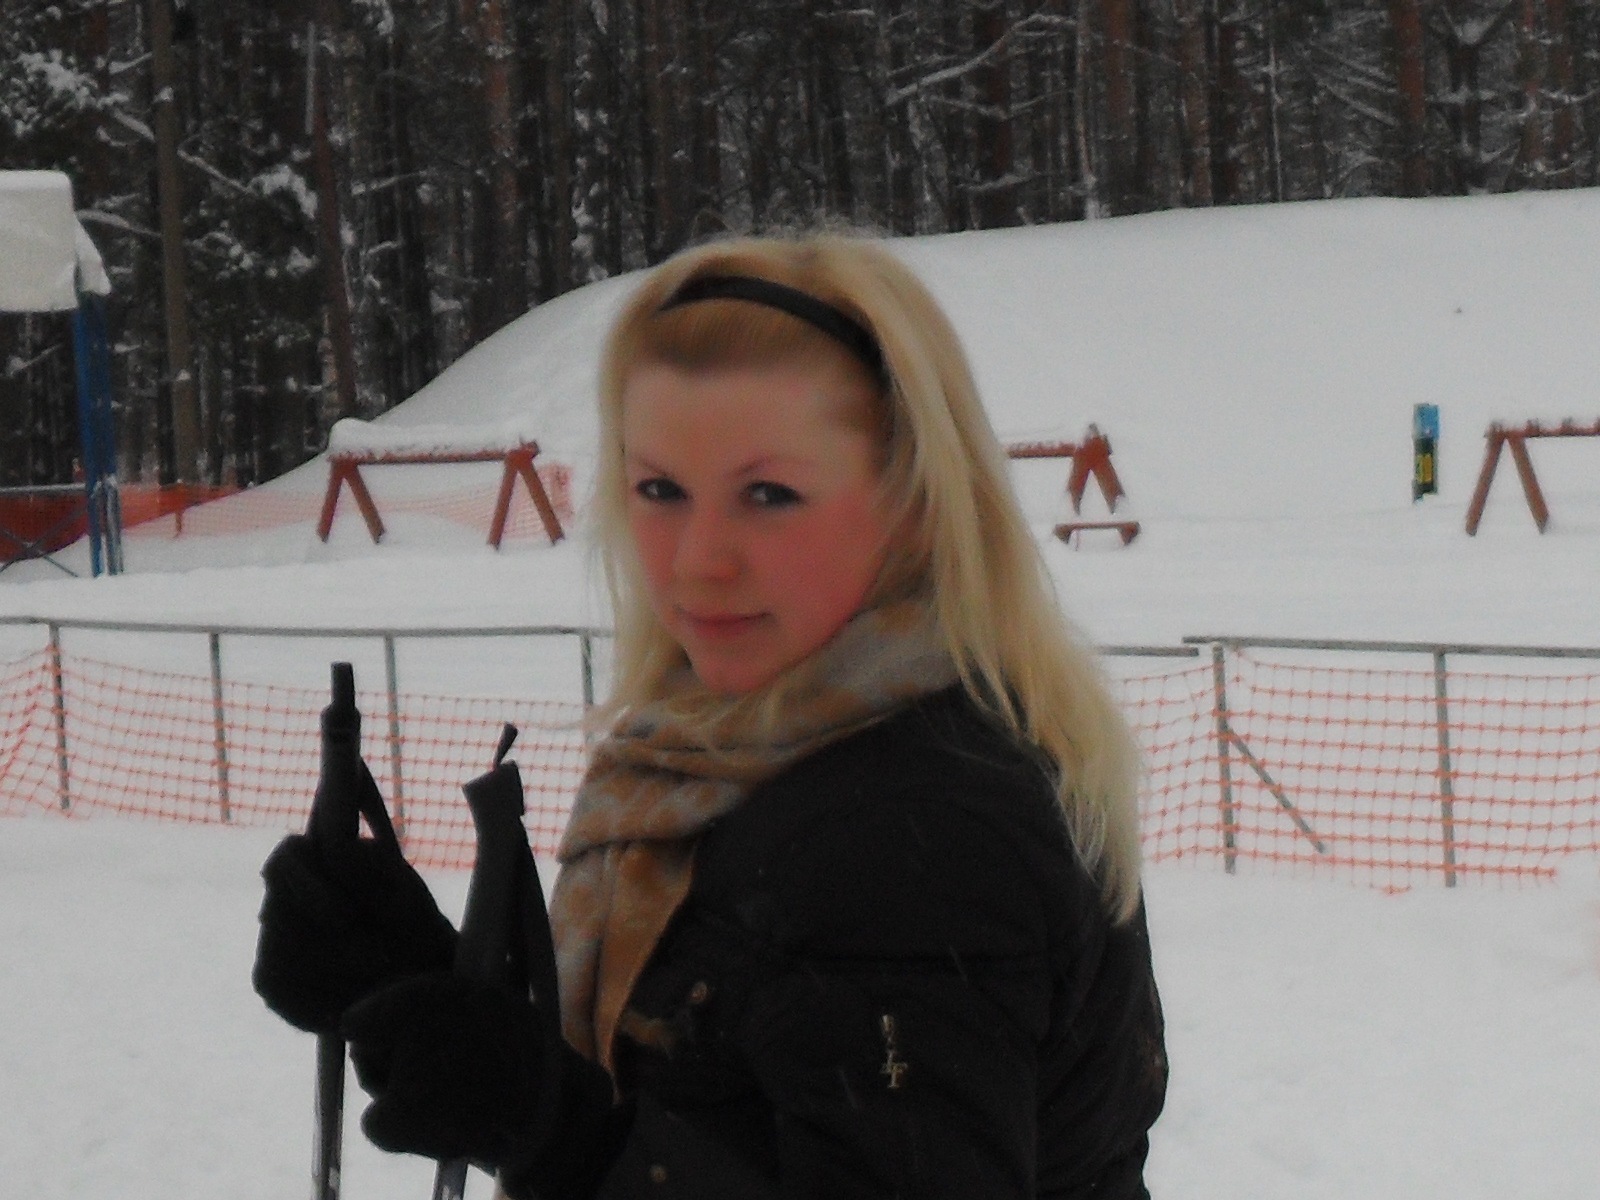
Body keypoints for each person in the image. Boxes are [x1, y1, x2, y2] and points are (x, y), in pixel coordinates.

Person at [253, 233, 1167, 1199]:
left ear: (913, 503)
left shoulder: (919, 836)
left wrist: (554, 1129)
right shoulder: (746, 748)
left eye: (769, 494)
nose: (698, 561)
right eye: (661, 490)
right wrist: (422, 989)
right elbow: (735, 1081)